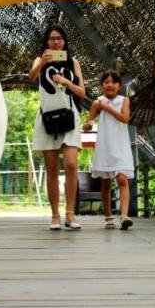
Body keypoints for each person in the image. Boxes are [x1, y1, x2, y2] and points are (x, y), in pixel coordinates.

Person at [29, 26, 86, 230]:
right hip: (47, 119)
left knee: (71, 164)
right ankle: (55, 215)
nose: (55, 42)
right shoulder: (40, 60)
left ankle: (70, 213)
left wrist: (65, 82)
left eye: (59, 38)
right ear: (46, 42)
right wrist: (42, 63)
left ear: (64, 41)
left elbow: (82, 93)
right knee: (51, 168)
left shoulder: (73, 63)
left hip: (70, 118)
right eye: (52, 39)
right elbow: (31, 77)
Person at [83, 71, 134, 230]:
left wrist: (107, 108)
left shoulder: (124, 100)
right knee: (105, 183)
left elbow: (125, 119)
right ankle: (108, 216)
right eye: (106, 82)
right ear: (101, 86)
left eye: (113, 82)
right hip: (105, 145)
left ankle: (125, 216)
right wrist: (88, 124)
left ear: (119, 86)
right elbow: (88, 123)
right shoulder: (97, 102)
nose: (109, 85)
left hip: (120, 145)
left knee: (122, 179)